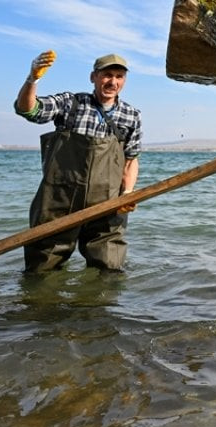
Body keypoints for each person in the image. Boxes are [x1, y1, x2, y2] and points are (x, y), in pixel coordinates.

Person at [14, 51, 142, 273]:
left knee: (109, 269)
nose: (113, 82)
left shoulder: (131, 115)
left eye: (119, 76)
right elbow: (29, 109)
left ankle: (95, 308)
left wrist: (128, 193)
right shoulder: (70, 103)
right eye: (107, 75)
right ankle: (39, 307)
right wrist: (33, 78)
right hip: (58, 201)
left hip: (107, 204)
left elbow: (131, 159)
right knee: (42, 267)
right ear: (93, 77)